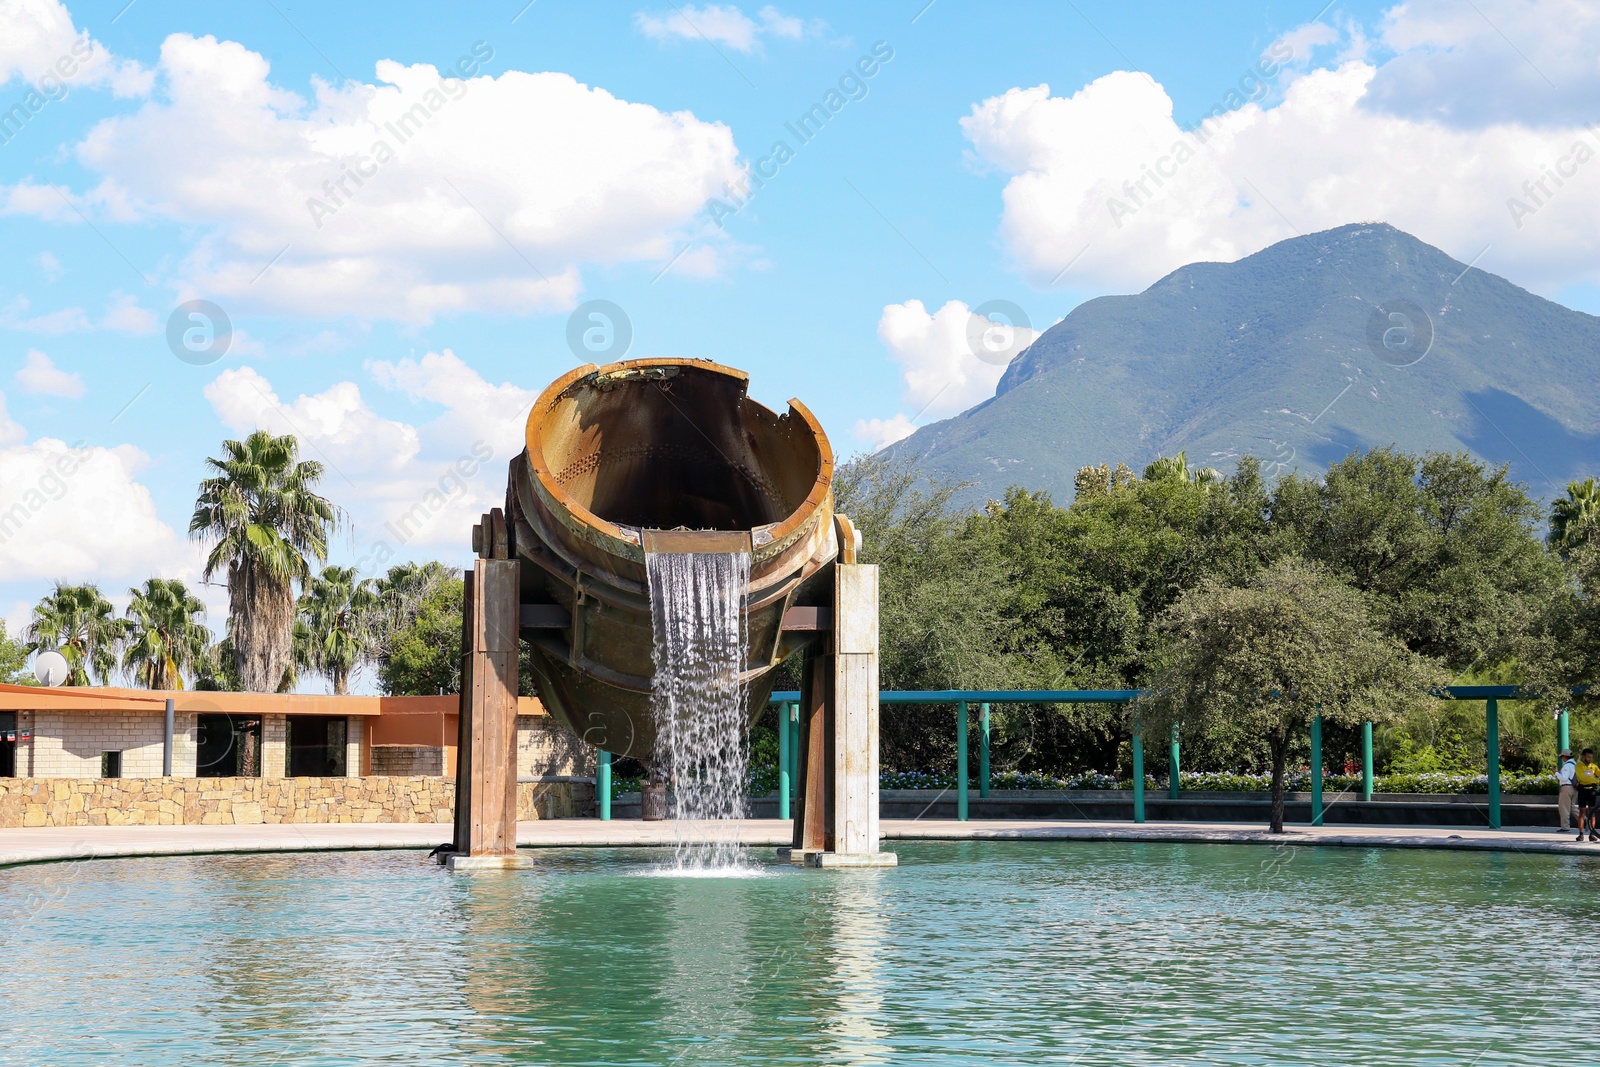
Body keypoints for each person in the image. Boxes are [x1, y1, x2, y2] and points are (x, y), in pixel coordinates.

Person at [1575, 748, 1600, 842]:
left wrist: (1595, 780)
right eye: (1588, 757)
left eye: (1591, 757)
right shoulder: (1578, 766)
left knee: (1592, 811)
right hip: (1582, 790)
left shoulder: (1594, 766)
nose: (1590, 759)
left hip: (1592, 791)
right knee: (1582, 811)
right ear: (1584, 756)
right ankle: (1581, 834)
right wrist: (1597, 780)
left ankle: (1592, 834)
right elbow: (1583, 778)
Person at [1558, 749, 1578, 832]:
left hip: (1566, 788)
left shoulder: (1567, 766)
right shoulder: (1576, 765)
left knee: (1564, 808)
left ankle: (1565, 827)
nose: (1562, 758)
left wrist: (1556, 773)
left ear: (1565, 757)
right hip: (1575, 788)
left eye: (1562, 757)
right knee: (1573, 807)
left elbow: (1564, 778)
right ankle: (1586, 821)